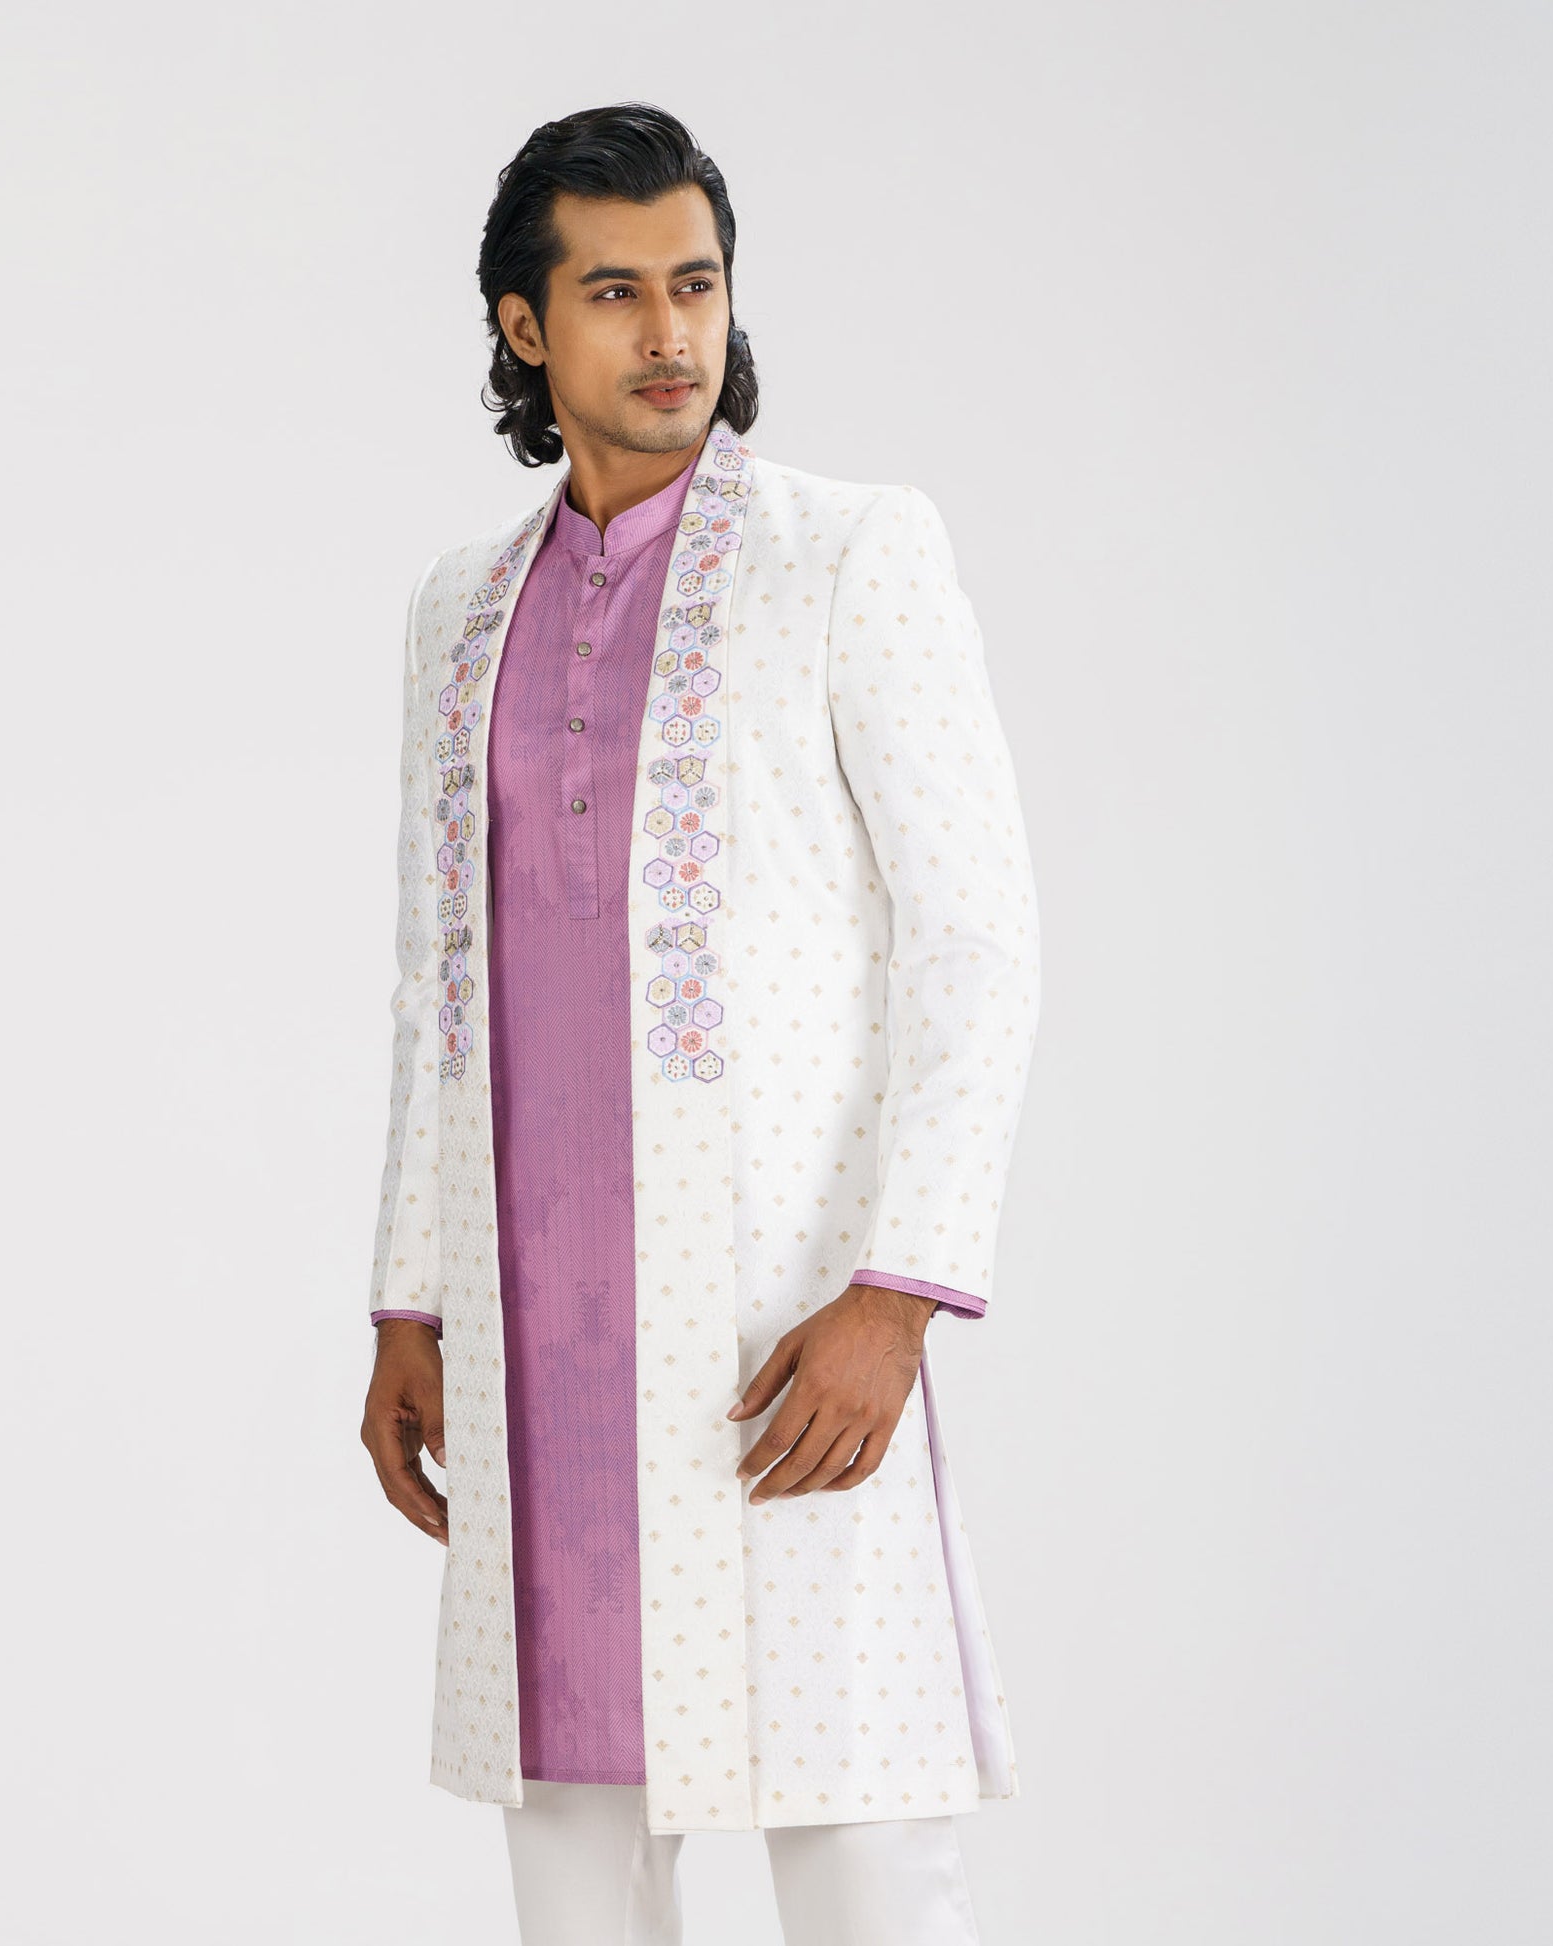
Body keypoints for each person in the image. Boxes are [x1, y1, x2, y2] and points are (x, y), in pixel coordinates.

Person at [358, 101, 1041, 1945]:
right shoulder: (458, 611)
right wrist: (409, 1299)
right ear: (524, 327)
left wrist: (897, 1291)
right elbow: (436, 979)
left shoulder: (846, 554)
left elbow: (976, 937)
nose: (671, 333)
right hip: (536, 1332)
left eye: (696, 283)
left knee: (858, 1836)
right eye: (614, 292)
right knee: (573, 1842)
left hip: (776, 1330)